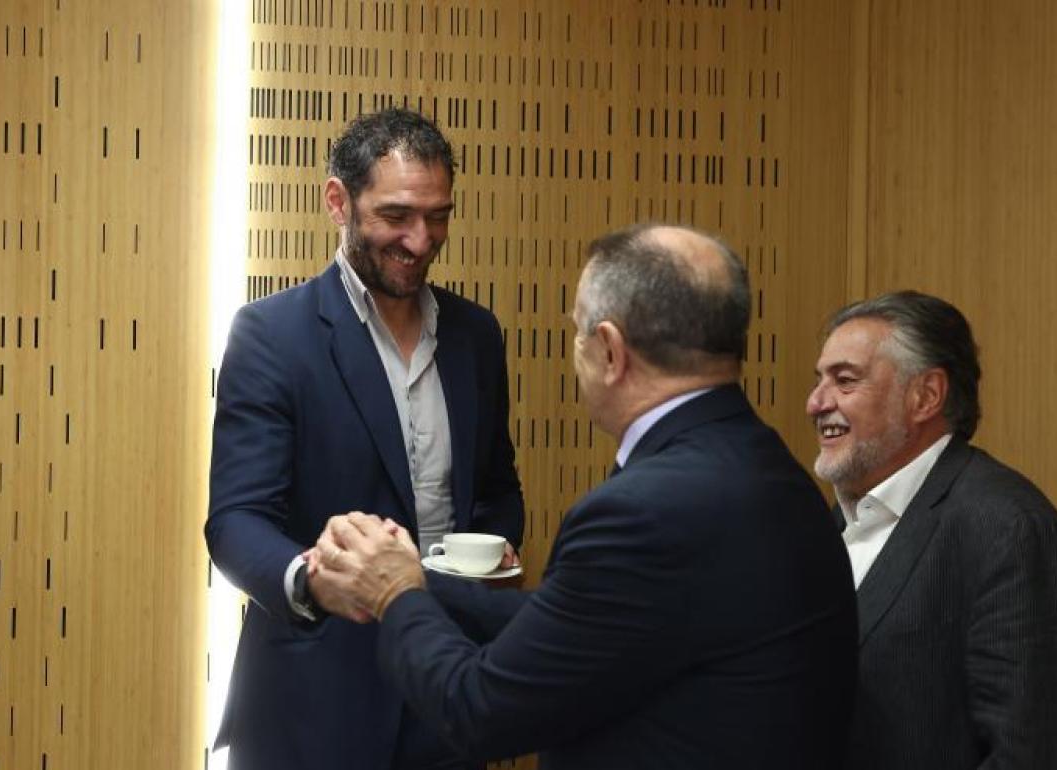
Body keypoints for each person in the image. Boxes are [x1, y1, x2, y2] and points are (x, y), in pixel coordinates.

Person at [310, 223, 858, 769]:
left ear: (611, 351)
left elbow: (479, 711)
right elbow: (585, 624)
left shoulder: (645, 511)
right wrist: (419, 579)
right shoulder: (769, 468)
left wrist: (396, 595)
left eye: (577, 334)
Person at [205, 108, 525, 770]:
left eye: (438, 215)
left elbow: (497, 489)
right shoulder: (271, 335)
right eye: (397, 215)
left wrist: (491, 557)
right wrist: (315, 582)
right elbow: (236, 522)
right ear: (337, 202)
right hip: (312, 708)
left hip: (447, 690)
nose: (421, 238)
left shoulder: (477, 335)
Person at [805, 290, 1057, 769]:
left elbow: (1035, 754)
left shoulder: (1010, 531)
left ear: (925, 396)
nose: (816, 403)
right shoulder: (835, 524)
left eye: (844, 380)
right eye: (819, 381)